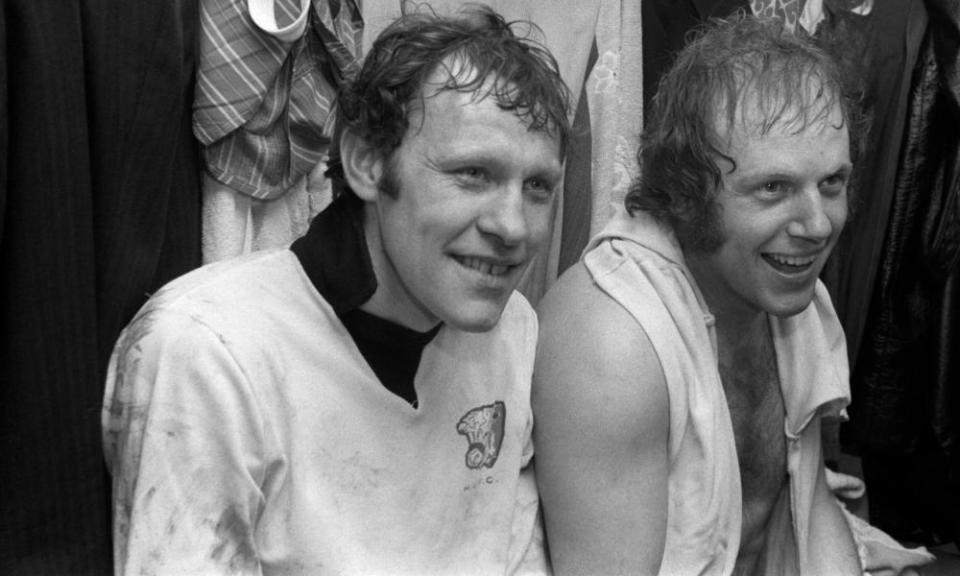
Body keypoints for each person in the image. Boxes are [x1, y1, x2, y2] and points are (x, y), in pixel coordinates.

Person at [102, 6, 571, 574]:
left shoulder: (512, 329)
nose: (513, 226)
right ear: (367, 162)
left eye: (539, 186)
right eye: (473, 174)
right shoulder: (210, 350)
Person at [532, 13, 934, 576]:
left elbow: (808, 507)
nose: (818, 225)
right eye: (774, 188)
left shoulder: (788, 290)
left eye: (832, 183)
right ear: (688, 190)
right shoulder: (612, 342)